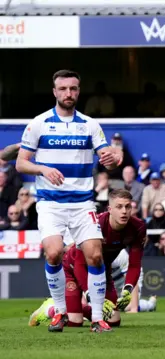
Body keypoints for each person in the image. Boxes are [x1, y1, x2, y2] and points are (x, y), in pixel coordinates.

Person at [16, 70, 122, 333]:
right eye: (63, 89)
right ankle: (60, 312)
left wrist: (113, 158)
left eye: (73, 89)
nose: (68, 94)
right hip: (51, 203)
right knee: (53, 253)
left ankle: (97, 318)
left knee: (95, 256)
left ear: (78, 91)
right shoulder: (38, 124)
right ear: (54, 92)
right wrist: (42, 169)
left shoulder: (90, 125)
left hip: (83, 204)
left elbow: (108, 157)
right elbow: (21, 162)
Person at [28, 189, 146, 328]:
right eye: (119, 207)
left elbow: (134, 263)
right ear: (110, 209)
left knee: (114, 321)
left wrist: (128, 289)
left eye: (127, 206)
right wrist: (90, 295)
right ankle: (50, 308)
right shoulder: (96, 225)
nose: (124, 211)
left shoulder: (138, 227)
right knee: (74, 322)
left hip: (101, 269)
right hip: (73, 267)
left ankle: (85, 312)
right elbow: (79, 264)